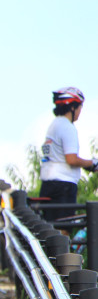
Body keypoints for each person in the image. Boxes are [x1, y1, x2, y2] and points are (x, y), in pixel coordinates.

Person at [39, 87, 97, 221]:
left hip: (48, 184)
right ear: (72, 107)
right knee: (63, 229)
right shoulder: (67, 127)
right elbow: (71, 159)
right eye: (80, 108)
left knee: (48, 230)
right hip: (63, 185)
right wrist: (92, 163)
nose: (80, 112)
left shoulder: (53, 125)